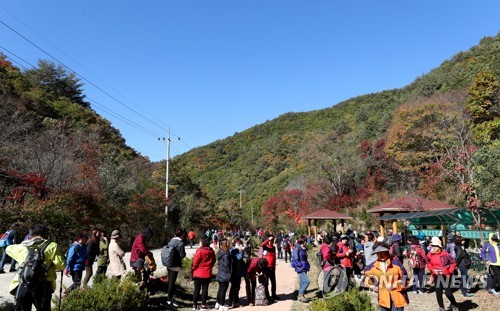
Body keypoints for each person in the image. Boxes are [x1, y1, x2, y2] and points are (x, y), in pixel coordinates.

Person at [5, 224, 65, 311]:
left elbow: (8, 249)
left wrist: (24, 243)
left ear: (30, 235)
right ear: (45, 235)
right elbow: (61, 265)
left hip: (23, 284)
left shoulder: (21, 247)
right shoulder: (53, 246)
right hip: (44, 286)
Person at [364, 242, 409, 311]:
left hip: (397, 298)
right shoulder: (372, 267)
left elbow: (405, 279)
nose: (381, 254)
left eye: (383, 252)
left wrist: (394, 285)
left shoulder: (396, 264)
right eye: (378, 252)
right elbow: (367, 278)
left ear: (387, 251)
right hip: (383, 299)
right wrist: (372, 286)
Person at [427, 236, 458, 311]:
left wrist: (449, 271)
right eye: (432, 246)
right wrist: (432, 270)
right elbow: (428, 264)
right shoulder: (429, 255)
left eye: (434, 246)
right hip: (437, 275)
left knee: (448, 293)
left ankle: (454, 304)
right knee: (438, 292)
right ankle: (441, 307)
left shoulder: (445, 254)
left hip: (446, 276)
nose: (432, 247)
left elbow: (453, 263)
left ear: (438, 247)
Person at [191, 237, 216, 311]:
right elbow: (213, 260)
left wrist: (193, 269)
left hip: (198, 273)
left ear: (203, 243)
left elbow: (195, 262)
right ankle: (203, 305)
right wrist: (209, 267)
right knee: (205, 289)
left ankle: (194, 305)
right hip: (207, 273)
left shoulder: (199, 251)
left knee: (196, 289)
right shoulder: (211, 251)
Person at [165, 227, 187, 308]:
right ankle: (169, 300)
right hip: (175, 265)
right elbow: (182, 255)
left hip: (168, 263)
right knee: (172, 283)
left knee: (170, 281)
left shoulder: (171, 240)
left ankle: (170, 298)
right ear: (182, 235)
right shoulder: (180, 243)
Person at [229, 237, 249, 308]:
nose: (240, 245)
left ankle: (232, 301)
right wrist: (241, 251)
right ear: (234, 244)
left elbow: (246, 257)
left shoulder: (236, 250)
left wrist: (244, 250)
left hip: (238, 271)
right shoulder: (233, 251)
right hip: (234, 271)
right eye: (238, 244)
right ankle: (235, 302)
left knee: (235, 286)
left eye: (240, 244)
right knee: (235, 287)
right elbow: (239, 258)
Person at [261, 234, 279, 302]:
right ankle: (267, 296)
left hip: (272, 268)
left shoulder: (274, 248)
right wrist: (268, 239)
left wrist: (274, 267)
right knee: (266, 282)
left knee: (273, 282)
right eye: (271, 240)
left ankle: (273, 295)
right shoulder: (265, 247)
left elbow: (274, 258)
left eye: (272, 240)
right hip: (266, 268)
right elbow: (262, 244)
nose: (272, 241)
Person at [215, 239, 231, 311]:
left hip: (220, 272)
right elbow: (227, 265)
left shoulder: (220, 252)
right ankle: (222, 305)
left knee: (220, 289)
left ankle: (218, 303)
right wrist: (229, 274)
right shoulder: (226, 254)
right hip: (225, 273)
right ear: (226, 245)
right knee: (223, 290)